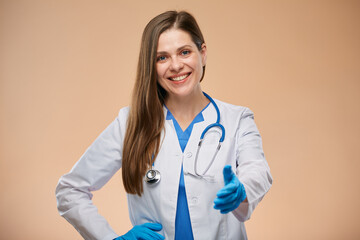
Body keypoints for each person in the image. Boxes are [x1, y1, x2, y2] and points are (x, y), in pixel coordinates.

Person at [55, 10, 272, 240]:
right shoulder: (130, 123)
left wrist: (243, 191)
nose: (176, 65)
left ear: (203, 53)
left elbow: (258, 171)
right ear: (151, 65)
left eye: (185, 52)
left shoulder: (237, 120)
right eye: (162, 57)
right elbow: (70, 190)